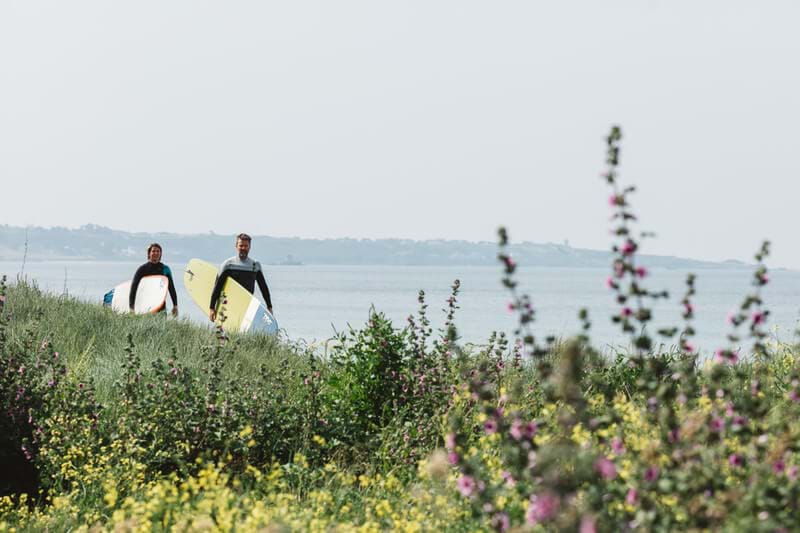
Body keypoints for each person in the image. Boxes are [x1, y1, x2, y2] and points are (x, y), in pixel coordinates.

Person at [209, 233, 273, 322]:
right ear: (236, 246)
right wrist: (212, 308)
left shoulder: (255, 265)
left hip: (247, 305)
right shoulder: (228, 265)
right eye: (241, 245)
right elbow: (217, 287)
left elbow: (263, 288)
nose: (243, 248)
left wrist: (269, 306)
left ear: (249, 247)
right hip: (229, 305)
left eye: (246, 246)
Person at [130, 243, 179, 316]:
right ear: (149, 253)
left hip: (161, 306)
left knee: (161, 323)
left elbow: (171, 288)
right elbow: (134, 288)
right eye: (153, 251)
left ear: (161, 254)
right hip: (145, 305)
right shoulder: (142, 269)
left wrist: (175, 305)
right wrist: (132, 307)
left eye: (158, 251)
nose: (155, 253)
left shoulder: (165, 269)